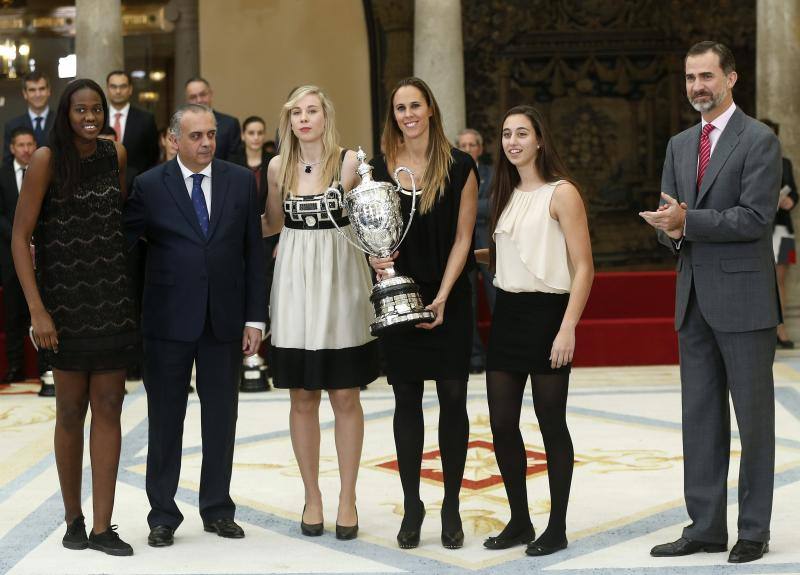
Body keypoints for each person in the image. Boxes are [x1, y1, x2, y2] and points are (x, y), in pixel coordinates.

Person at [640, 41, 781, 564]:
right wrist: (668, 229)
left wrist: (686, 223)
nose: (697, 86)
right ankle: (704, 527)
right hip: (692, 298)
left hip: (744, 301)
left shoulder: (759, 140)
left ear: (731, 79)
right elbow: (669, 214)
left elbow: (754, 218)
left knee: (754, 420)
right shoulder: (679, 144)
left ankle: (753, 530)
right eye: (690, 77)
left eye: (707, 76)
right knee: (699, 418)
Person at [124, 103, 266, 548]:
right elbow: (125, 251)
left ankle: (218, 508)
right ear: (174, 140)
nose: (207, 143)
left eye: (211, 135)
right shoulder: (148, 186)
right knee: (166, 421)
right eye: (196, 136)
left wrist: (255, 317)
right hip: (166, 321)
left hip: (224, 319)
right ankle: (162, 514)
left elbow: (254, 255)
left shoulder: (240, 181)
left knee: (222, 419)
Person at [11, 78, 139, 556]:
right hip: (63, 304)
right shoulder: (46, 159)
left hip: (110, 298)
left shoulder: (117, 155)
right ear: (66, 114)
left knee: (109, 406)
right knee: (70, 410)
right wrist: (38, 309)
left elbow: (114, 224)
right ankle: (74, 519)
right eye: (81, 109)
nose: (90, 117)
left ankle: (104, 526)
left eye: (97, 109)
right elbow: (21, 237)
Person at [262, 86, 378, 540]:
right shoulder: (277, 166)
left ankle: (348, 497)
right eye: (296, 112)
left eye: (312, 110)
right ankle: (313, 495)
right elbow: (272, 222)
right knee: (301, 396)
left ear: (326, 117)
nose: (304, 118)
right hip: (294, 284)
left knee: (345, 395)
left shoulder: (350, 161)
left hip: (341, 282)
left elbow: (370, 220)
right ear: (288, 120)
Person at [476, 106, 593, 556]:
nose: (512, 141)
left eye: (521, 133)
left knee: (550, 423)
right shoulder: (504, 192)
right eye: (506, 134)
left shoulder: (562, 193)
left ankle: (557, 527)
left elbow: (583, 267)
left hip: (549, 316)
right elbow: (512, 254)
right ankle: (520, 521)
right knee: (503, 424)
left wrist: (568, 328)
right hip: (508, 313)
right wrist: (462, 255)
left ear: (540, 140)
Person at [368, 77, 478, 550]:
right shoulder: (378, 168)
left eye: (415, 105)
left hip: (448, 294)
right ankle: (413, 505)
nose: (408, 114)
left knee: (453, 400)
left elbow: (462, 239)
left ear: (431, 109)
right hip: (401, 295)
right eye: (399, 108)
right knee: (406, 401)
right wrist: (376, 261)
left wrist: (444, 297)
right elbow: (370, 231)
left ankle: (451, 504)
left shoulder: (460, 166)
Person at [457, 128, 495, 373]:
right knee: (466, 303)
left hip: (490, 244)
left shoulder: (493, 174)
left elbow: (495, 205)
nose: (468, 149)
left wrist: (468, 208)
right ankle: (475, 358)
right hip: (463, 244)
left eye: (472, 145)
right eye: (464, 145)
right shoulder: (452, 173)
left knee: (497, 298)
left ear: (480, 148)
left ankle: (502, 353)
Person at [0, 127, 37, 383]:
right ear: (12, 148)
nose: (25, 149)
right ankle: (15, 367)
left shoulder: (45, 170)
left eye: (29, 144)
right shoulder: (1, 174)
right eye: (20, 145)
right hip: (10, 253)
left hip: (43, 251)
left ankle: (47, 367)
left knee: (43, 310)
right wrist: (18, 238)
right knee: (13, 314)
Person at [760, 118, 797, 349]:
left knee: (780, 280)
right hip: (759, 228)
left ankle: (781, 330)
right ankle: (763, 330)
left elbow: (795, 193)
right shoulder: (748, 159)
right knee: (761, 280)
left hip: (783, 228)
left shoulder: (784, 163)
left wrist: (789, 201)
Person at [105, 70, 159, 176]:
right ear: (107, 89)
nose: (118, 91)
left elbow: (153, 156)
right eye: (113, 87)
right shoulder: (99, 118)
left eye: (123, 86)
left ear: (130, 89)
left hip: (137, 185)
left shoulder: (146, 119)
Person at [3, 71, 54, 165]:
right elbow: (8, 163)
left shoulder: (61, 121)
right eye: (32, 90)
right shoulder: (12, 126)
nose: (38, 94)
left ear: (49, 91)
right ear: (25, 94)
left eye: (42, 89)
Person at [185, 77, 241, 161]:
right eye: (193, 97)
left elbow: (234, 161)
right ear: (187, 101)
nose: (199, 100)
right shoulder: (182, 126)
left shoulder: (230, 124)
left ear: (211, 94)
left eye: (203, 94)